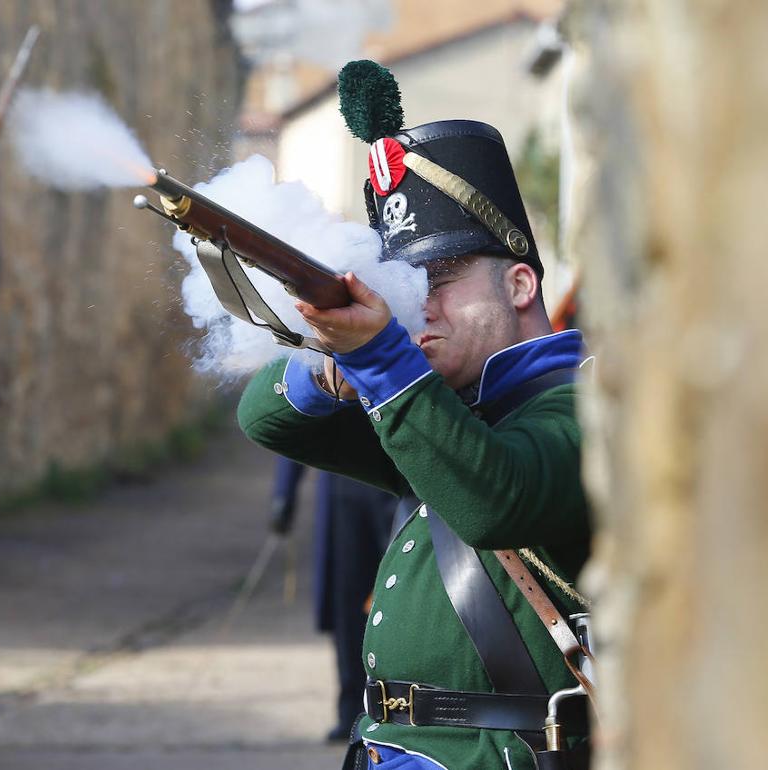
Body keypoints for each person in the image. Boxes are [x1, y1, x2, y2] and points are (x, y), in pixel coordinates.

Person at [237, 61, 592, 769]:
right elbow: (264, 417)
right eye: (403, 286)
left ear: (519, 281)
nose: (416, 306)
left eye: (440, 281)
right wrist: (333, 366)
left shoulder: (589, 405)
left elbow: (496, 500)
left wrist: (383, 360)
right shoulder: (438, 410)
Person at [269, 458, 396, 744]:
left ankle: (400, 711)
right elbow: (297, 413)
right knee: (347, 604)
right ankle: (351, 711)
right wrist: (283, 491)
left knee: (403, 596)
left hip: (399, 480)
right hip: (343, 482)